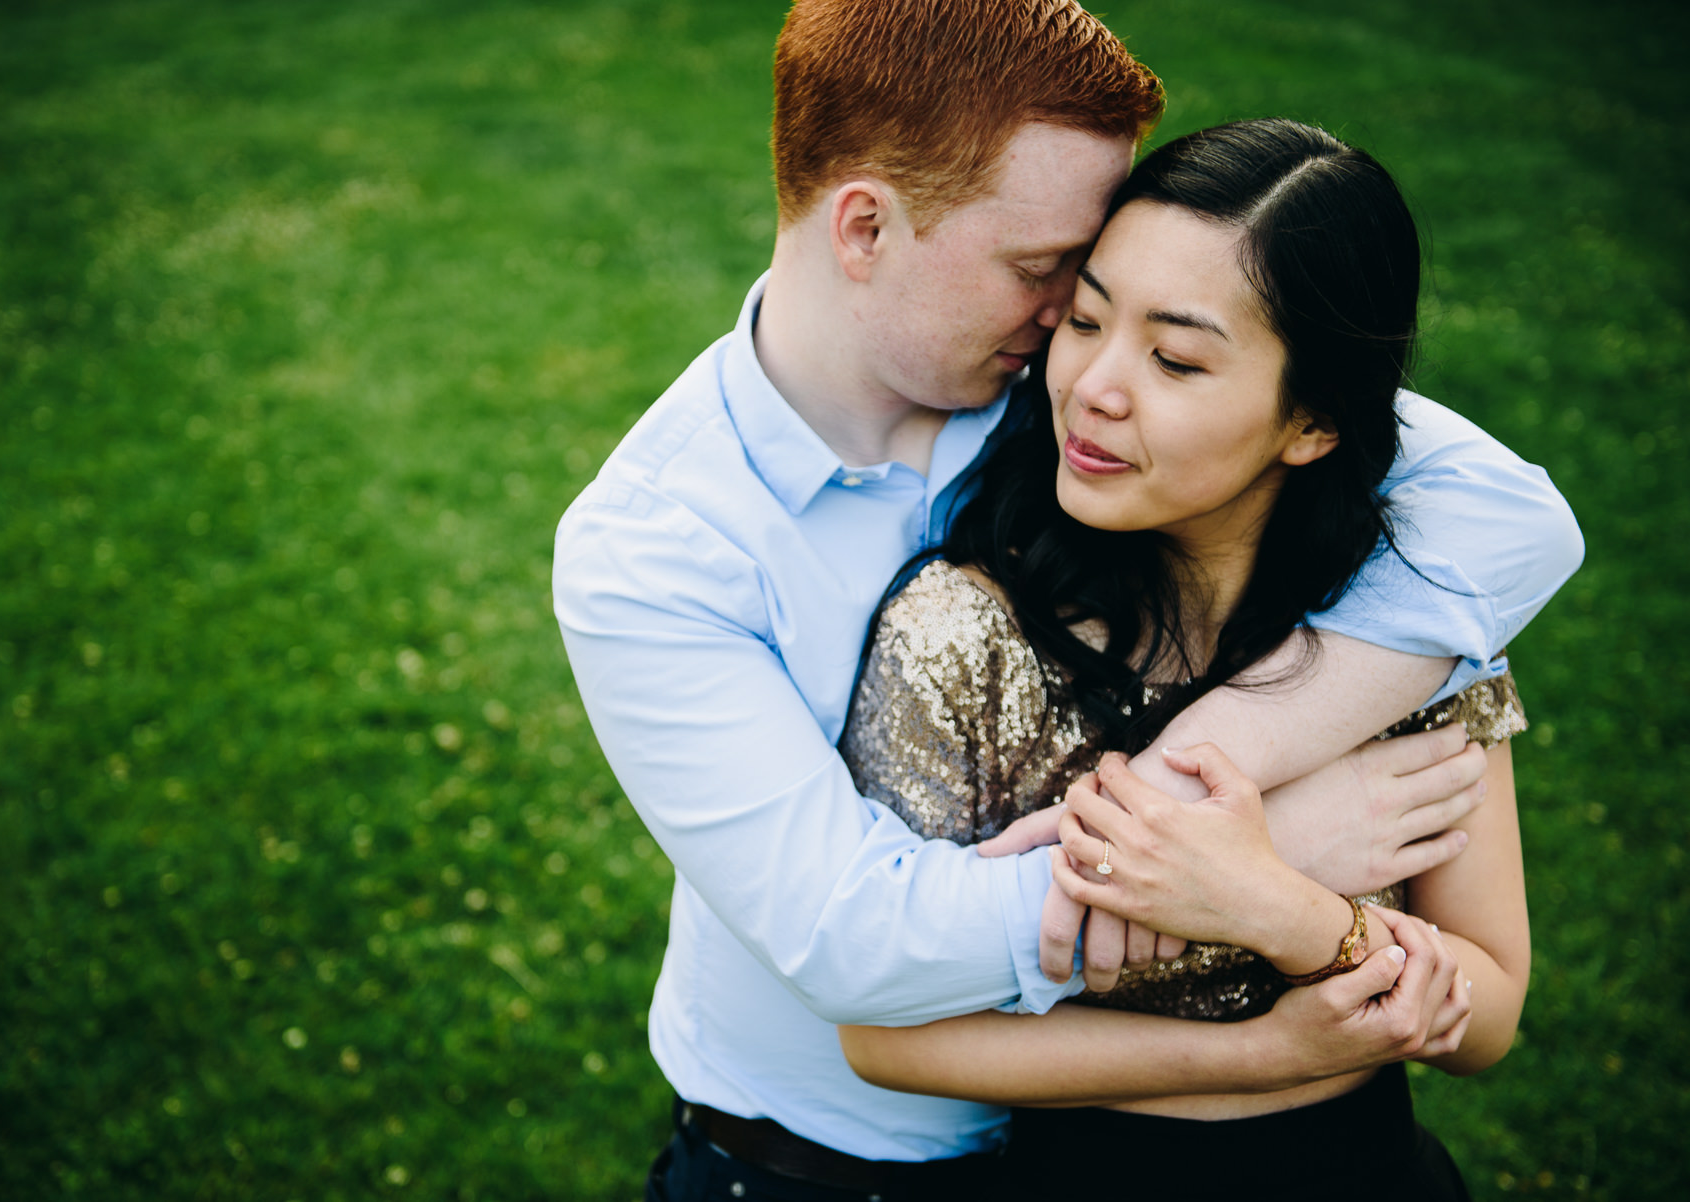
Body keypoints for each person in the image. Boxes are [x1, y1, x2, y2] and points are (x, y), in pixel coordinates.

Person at [552, 2, 1580, 1198]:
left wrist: (1206, 772)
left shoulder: (1066, 393)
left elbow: (1510, 514)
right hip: (842, 1164)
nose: (1072, 331)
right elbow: (852, 941)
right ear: (867, 226)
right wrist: (1258, 857)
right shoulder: (655, 547)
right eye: (1051, 275)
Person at [836, 119, 1531, 1199]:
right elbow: (887, 1034)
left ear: (1312, 420)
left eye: (1175, 358)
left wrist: (1275, 907)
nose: (1095, 387)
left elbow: (1488, 1013)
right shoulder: (964, 635)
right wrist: (1269, 1049)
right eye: (1086, 319)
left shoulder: (1415, 633)